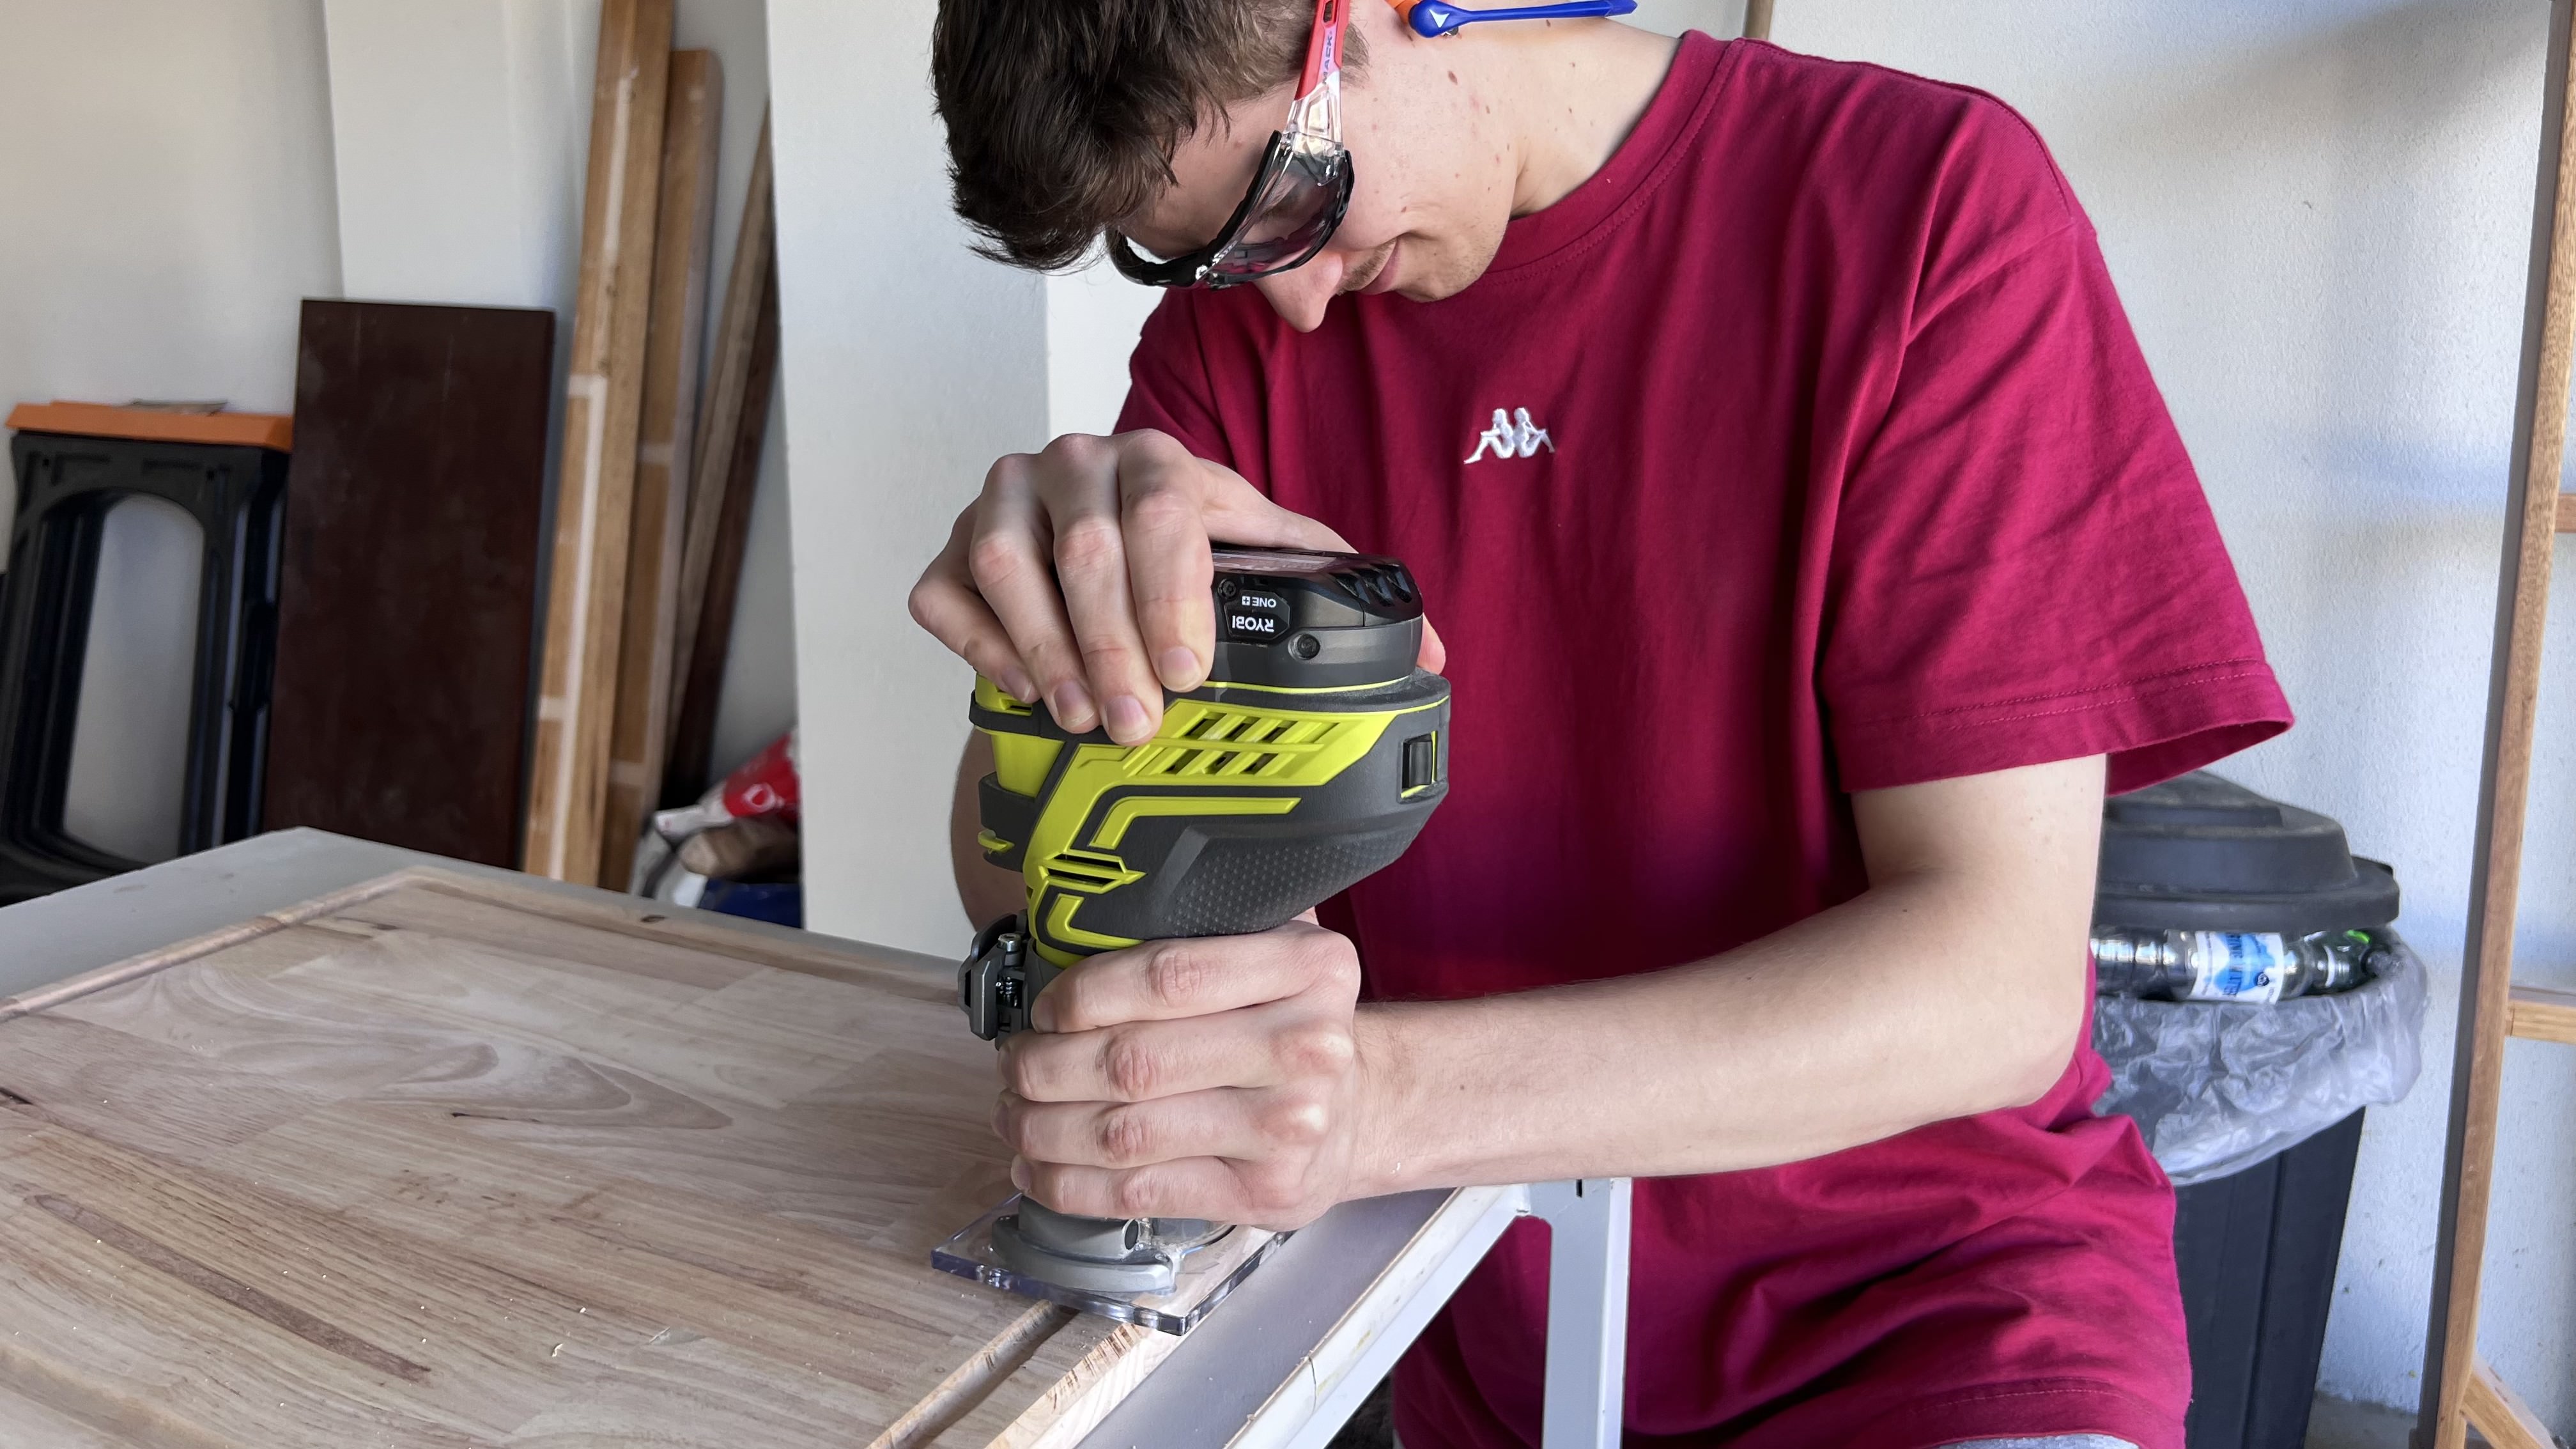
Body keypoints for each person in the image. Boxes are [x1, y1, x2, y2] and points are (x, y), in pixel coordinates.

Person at [908, 3, 2290, 1446]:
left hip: (1938, 1323)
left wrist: (1378, 1111)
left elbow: (1997, 989)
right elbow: (1031, 877)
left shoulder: (1927, 212)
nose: (1297, 303)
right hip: (1483, 1331)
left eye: (1290, 196)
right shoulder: (1238, 332)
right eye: (1197, 253)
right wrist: (1047, 685)